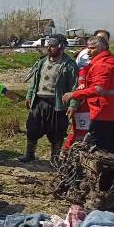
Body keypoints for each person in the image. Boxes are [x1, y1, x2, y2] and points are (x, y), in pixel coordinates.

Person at [63, 36, 114, 153]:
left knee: (95, 147)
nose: (88, 51)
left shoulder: (102, 65)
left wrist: (75, 94)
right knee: (110, 145)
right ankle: (110, 168)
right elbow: (86, 71)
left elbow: (98, 89)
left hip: (104, 112)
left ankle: (101, 169)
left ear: (102, 49)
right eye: (88, 48)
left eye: (92, 48)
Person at [19, 35, 78, 164]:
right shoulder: (41, 61)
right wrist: (29, 96)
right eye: (48, 45)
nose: (48, 48)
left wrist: (73, 105)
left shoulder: (69, 65)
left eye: (52, 46)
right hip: (39, 102)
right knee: (32, 128)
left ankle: (54, 159)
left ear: (61, 47)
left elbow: (74, 87)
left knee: (57, 132)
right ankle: (29, 155)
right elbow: (35, 82)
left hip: (57, 104)